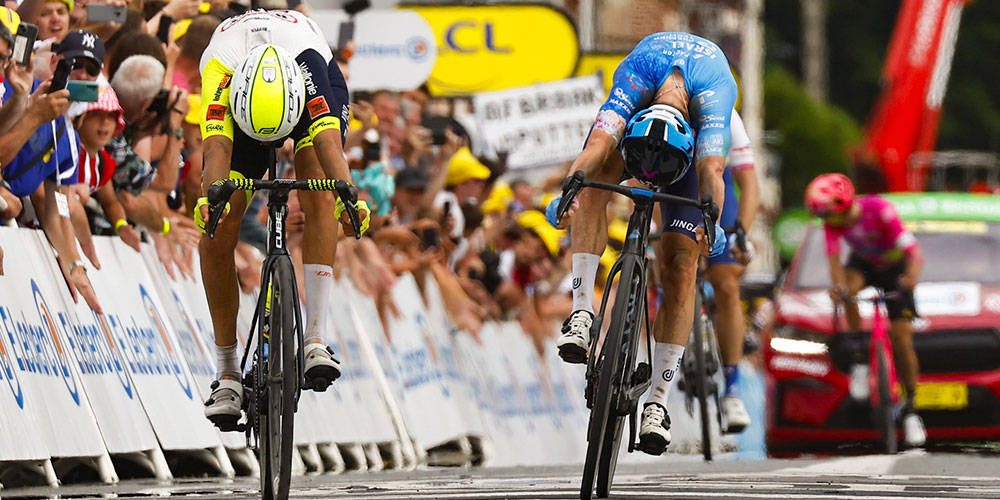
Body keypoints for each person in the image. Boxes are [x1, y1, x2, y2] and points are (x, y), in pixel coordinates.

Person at [546, 32, 737, 455]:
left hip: (685, 160)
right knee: (592, 187)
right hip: (636, 138)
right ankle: (581, 314)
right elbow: (598, 141)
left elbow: (713, 167)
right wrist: (568, 189)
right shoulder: (635, 76)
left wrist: (713, 219)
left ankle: (658, 402)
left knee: (681, 266)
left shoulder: (713, 97)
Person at [195, 8, 370, 431]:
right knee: (219, 225)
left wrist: (353, 199)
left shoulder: (309, 66)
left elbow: (330, 143)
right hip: (245, 104)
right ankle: (226, 371)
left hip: (306, 74)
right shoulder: (218, 69)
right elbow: (216, 151)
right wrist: (209, 201)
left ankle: (314, 338)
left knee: (322, 186)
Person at [804, 173, 927, 447]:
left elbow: (914, 253)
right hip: (865, 265)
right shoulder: (831, 224)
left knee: (903, 340)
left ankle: (911, 409)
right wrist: (837, 288)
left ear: (843, 206)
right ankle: (860, 356)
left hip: (896, 268)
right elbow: (835, 261)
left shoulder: (879, 209)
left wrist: (910, 279)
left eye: (826, 214)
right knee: (847, 290)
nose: (825, 221)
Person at [706, 109, 758, 433]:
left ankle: (732, 388)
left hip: (722, 205)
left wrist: (743, 232)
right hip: (674, 196)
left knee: (727, 286)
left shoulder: (727, 113)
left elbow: (748, 183)